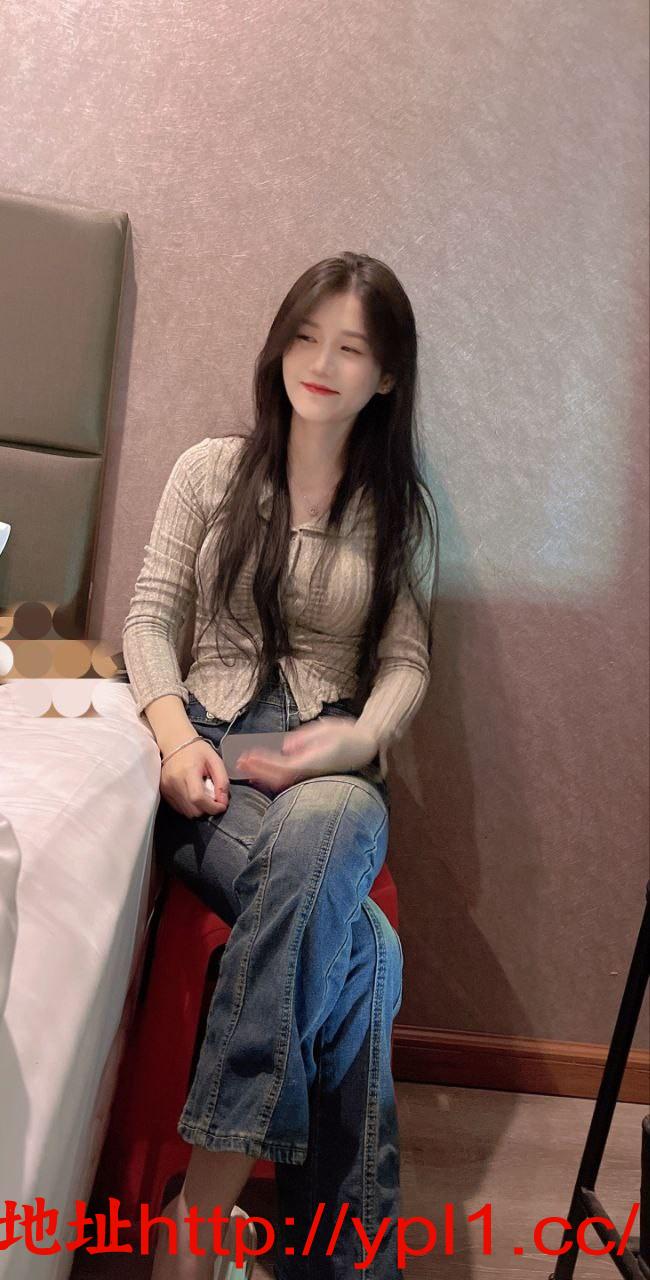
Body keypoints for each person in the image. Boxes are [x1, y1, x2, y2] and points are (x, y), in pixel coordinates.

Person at [121, 250, 439, 1279]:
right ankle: (344, 1263)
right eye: (305, 336)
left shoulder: (398, 510)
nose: (320, 363)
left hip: (331, 764)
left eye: (350, 347)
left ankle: (198, 1212)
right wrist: (175, 740)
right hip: (210, 752)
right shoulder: (208, 472)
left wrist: (357, 739)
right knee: (366, 950)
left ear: (385, 375)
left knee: (331, 820)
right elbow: (149, 619)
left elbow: (406, 659)